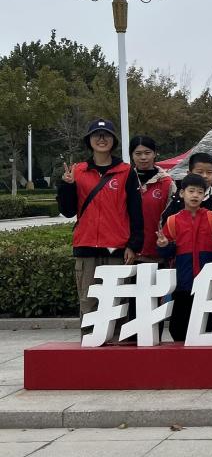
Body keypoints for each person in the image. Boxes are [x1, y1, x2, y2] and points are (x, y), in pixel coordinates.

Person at [57, 119, 144, 333]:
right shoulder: (78, 171)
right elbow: (68, 211)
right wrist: (67, 186)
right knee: (89, 304)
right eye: (97, 135)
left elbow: (135, 211)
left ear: (114, 140)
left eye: (106, 135)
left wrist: (134, 245)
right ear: (89, 140)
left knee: (116, 304)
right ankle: (90, 347)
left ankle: (117, 349)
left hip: (116, 249)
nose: (102, 139)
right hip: (86, 248)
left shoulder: (126, 172)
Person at [157, 173, 212, 341]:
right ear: (182, 193)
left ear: (204, 195)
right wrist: (164, 245)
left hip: (207, 283)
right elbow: (166, 255)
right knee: (179, 329)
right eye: (191, 191)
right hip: (182, 283)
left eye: (200, 192)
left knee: (207, 327)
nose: (195, 195)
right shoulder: (172, 221)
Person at [161, 152, 212, 237]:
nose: (205, 176)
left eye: (209, 172)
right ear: (189, 173)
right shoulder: (178, 199)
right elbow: (166, 225)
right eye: (200, 172)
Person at [129, 136, 176, 264]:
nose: (143, 157)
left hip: (159, 254)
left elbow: (172, 217)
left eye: (147, 153)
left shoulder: (167, 183)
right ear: (132, 155)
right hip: (130, 253)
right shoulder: (126, 180)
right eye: (138, 153)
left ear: (155, 154)